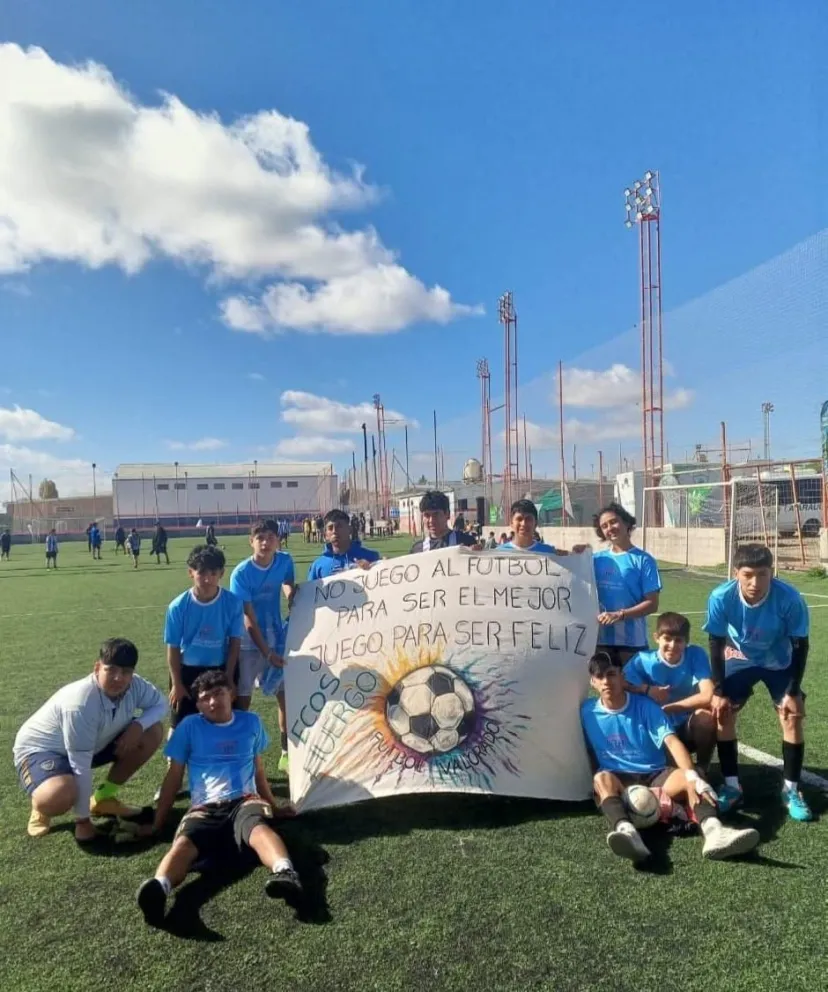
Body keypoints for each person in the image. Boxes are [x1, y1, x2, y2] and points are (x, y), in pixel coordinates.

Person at [135, 669, 301, 927]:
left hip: (245, 799)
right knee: (184, 844)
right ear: (198, 704)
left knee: (257, 828)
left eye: (218, 693)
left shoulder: (251, 722)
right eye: (205, 698)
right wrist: (159, 822)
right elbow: (173, 778)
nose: (213, 702)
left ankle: (285, 872)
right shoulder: (189, 727)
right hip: (204, 806)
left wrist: (274, 807)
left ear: (231, 694)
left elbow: (258, 770)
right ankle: (159, 888)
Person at [580, 651, 759, 863]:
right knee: (601, 779)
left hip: (655, 773)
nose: (606, 681)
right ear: (592, 682)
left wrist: (693, 777)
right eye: (600, 677)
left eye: (611, 674)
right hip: (619, 779)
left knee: (690, 778)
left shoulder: (646, 706)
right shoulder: (586, 711)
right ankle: (628, 833)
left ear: (622, 676)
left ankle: (714, 832)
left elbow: (672, 742)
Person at [13, 638, 166, 839]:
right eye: (111, 670)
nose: (118, 678)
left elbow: (161, 704)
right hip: (43, 751)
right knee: (57, 796)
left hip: (92, 742)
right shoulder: (81, 703)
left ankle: (103, 799)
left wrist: (138, 725)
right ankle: (41, 803)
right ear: (97, 667)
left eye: (126, 672)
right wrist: (83, 822)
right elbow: (80, 766)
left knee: (152, 731)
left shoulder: (137, 685)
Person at [703, 544, 812, 821]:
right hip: (738, 656)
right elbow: (715, 642)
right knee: (723, 711)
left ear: (771, 573)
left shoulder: (789, 598)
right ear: (736, 572)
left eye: (763, 574)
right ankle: (731, 786)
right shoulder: (721, 597)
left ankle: (791, 790)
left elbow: (800, 644)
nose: (755, 582)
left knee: (791, 715)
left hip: (779, 658)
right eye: (748, 574)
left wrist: (793, 690)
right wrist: (718, 690)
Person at [230, 521, 296, 774]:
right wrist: (266, 653)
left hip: (276, 637)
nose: (265, 542)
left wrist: (290, 596)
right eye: (260, 538)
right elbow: (248, 618)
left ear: (278, 540)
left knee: (285, 698)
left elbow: (288, 582)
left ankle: (286, 753)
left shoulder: (284, 561)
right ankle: (239, 755)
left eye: (270, 537)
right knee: (243, 701)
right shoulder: (241, 573)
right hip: (248, 643)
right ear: (251, 541)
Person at [164, 544, 244, 730]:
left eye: (213, 573)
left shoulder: (232, 603)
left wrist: (230, 677)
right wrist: (176, 683)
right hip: (188, 671)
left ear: (221, 573)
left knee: (222, 722)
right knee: (182, 725)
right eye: (201, 573)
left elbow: (234, 643)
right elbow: (173, 648)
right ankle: (175, 759)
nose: (207, 579)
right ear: (190, 573)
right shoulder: (178, 606)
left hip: (220, 670)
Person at [624, 612, 716, 771]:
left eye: (678, 640)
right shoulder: (642, 659)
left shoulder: (695, 654)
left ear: (686, 641)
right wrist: (646, 689)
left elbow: (707, 695)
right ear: (656, 637)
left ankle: (703, 767)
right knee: (673, 772)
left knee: (705, 719)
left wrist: (669, 708)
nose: (673, 645)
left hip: (684, 726)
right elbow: (621, 683)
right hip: (656, 729)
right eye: (667, 639)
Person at [591, 502, 661, 668]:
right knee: (607, 691)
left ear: (627, 523)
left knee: (633, 689)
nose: (610, 528)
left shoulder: (644, 560)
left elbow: (652, 604)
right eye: (604, 526)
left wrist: (620, 615)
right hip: (600, 641)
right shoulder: (595, 560)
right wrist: (574, 553)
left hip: (632, 643)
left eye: (614, 522)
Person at [308, 509, 381, 580]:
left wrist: (374, 568)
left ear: (350, 530)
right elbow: (310, 591)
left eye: (339, 526)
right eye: (330, 528)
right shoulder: (317, 566)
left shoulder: (370, 556)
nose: (334, 531)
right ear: (325, 535)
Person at [411, 491, 478, 552]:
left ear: (447, 514)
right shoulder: (417, 550)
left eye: (436, 514)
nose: (431, 520)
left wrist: (478, 552)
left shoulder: (466, 541)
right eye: (427, 515)